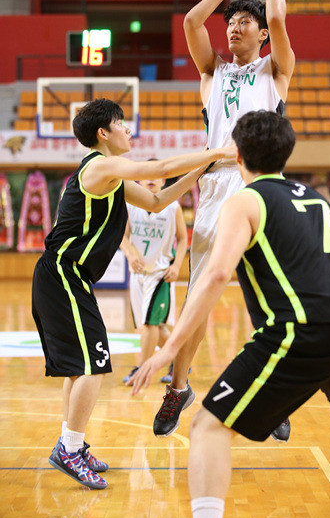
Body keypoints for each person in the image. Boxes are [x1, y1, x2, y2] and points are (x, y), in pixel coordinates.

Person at [132, 111, 330, 518]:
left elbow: (217, 275)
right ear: (287, 153)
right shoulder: (318, 198)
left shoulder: (243, 200)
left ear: (236, 154)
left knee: (208, 425)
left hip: (306, 328)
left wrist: (170, 350)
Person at [31, 98, 235, 490]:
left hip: (66, 278)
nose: (129, 130)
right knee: (94, 363)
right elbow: (158, 170)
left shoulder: (110, 178)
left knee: (80, 366)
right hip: (62, 274)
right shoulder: (101, 166)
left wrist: (200, 170)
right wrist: (220, 150)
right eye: (121, 124)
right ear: (103, 134)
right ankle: (69, 449)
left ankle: (73, 442)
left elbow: (158, 201)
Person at [142, 0, 295, 442]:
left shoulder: (276, 70)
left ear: (262, 36)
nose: (233, 27)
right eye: (230, 22)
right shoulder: (213, 74)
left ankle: (270, 396)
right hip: (215, 187)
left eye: (244, 22)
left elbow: (278, 17)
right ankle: (178, 388)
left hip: (263, 185)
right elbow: (190, 21)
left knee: (270, 302)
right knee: (196, 303)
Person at [120, 171, 187, 385]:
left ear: (163, 181)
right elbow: (122, 236)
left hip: (160, 274)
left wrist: (177, 265)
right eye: (146, 176)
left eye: (156, 176)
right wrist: (130, 254)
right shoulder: (131, 206)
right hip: (137, 274)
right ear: (138, 181)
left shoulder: (172, 207)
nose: (151, 179)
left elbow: (184, 238)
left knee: (149, 324)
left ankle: (141, 369)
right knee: (155, 328)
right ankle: (181, 361)